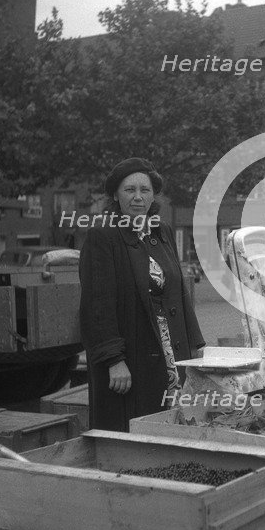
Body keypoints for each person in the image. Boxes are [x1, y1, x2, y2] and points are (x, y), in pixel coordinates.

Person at [79, 157, 205, 431]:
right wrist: (114, 360)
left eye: (144, 190)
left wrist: (196, 343)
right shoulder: (102, 236)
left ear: (153, 195)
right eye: (129, 190)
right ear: (115, 195)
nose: (138, 197)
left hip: (170, 350)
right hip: (130, 356)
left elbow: (179, 290)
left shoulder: (162, 231)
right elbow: (96, 305)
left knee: (172, 422)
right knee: (134, 430)